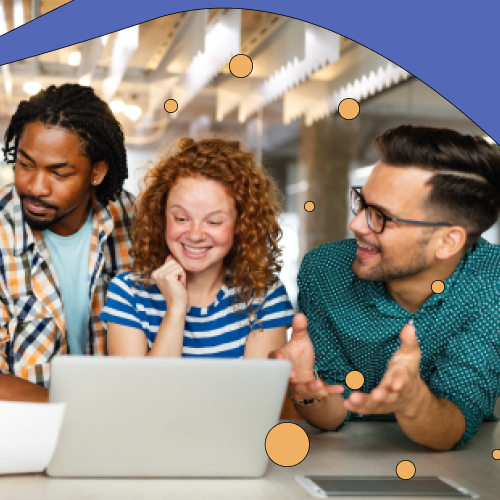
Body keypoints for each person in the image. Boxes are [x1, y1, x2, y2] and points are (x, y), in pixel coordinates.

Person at [273, 125, 500, 451]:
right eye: (362, 203)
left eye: (381, 217)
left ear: (447, 241)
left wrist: (414, 402)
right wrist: (307, 393)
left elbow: (453, 424)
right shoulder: (324, 270)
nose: (356, 225)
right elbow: (332, 413)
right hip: (343, 457)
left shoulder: (492, 284)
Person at [100, 138, 294, 358]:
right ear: (162, 215)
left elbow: (260, 392)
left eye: (214, 222)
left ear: (241, 223)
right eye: (181, 218)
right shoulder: (128, 293)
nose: (194, 235)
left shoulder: (265, 296)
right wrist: (175, 310)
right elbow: (139, 391)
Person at [0, 84, 134, 402]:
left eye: (59, 173)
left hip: (125, 424)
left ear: (97, 172)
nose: (36, 186)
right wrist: (81, 415)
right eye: (25, 164)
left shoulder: (137, 223)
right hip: (30, 435)